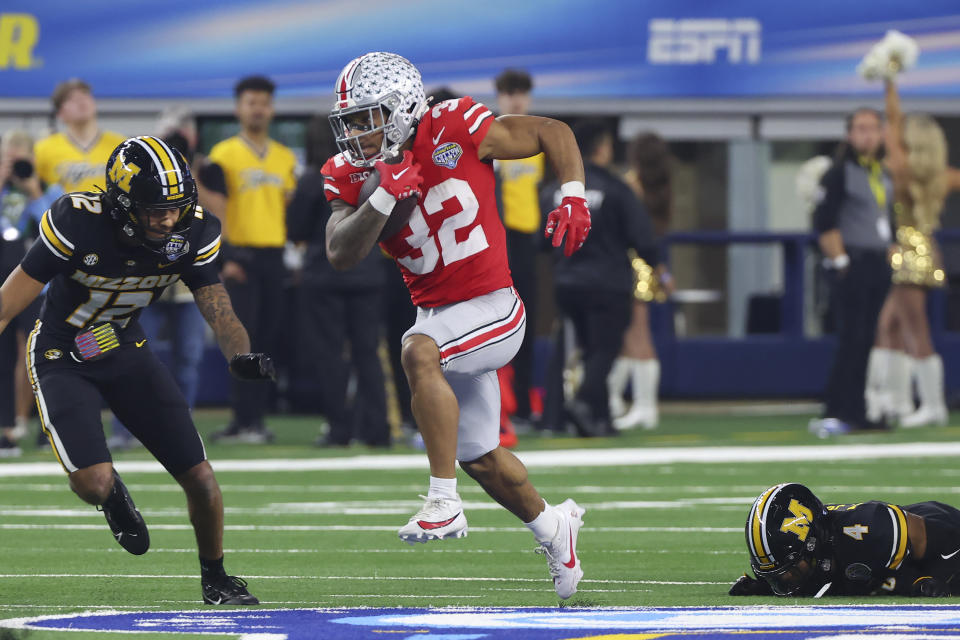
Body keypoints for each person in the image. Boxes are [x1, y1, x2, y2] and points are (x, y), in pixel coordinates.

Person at [322, 52, 591, 599]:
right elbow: (339, 252)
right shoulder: (354, 172)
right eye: (349, 120)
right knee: (480, 457)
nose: (354, 131)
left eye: (365, 116)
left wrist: (572, 195)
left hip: (494, 306)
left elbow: (551, 132)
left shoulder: (455, 124)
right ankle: (554, 527)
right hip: (442, 316)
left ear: (398, 109)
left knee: (417, 351)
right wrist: (383, 192)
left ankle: (442, 501)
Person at [0, 135, 275, 605]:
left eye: (174, 207)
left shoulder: (194, 230)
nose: (168, 218)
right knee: (92, 482)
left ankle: (217, 577)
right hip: (62, 352)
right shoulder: (77, 221)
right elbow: (6, 305)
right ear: (121, 203)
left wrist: (238, 355)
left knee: (202, 478)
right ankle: (112, 496)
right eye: (154, 209)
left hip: (121, 343)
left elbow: (218, 308)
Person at [109, 109, 230, 447]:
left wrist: (187, 178)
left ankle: (181, 430)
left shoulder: (207, 170)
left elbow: (218, 215)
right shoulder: (142, 174)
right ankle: (125, 430)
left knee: (188, 361)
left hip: (187, 287)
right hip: (145, 283)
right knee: (130, 355)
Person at [542, 120, 660, 437]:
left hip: (567, 282)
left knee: (581, 348)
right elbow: (641, 235)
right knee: (604, 350)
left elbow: (541, 239)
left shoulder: (555, 190)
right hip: (607, 283)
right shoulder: (615, 187)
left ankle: (599, 420)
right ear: (602, 148)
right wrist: (660, 265)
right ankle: (582, 403)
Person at [865, 71, 960, 428]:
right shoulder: (944, 176)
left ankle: (932, 405)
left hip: (906, 255)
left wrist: (890, 84)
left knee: (913, 330)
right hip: (927, 251)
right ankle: (894, 400)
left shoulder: (902, 171)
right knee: (888, 325)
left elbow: (891, 124)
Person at [288, 116, 388, 447]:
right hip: (369, 272)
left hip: (324, 275)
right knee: (368, 353)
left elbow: (296, 230)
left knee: (331, 355)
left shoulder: (311, 179)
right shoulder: (369, 174)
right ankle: (377, 428)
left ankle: (339, 428)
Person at [208, 75, 297, 443]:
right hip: (239, 256)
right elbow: (211, 212)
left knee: (269, 338)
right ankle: (242, 420)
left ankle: (258, 419)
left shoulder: (284, 157)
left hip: (274, 256)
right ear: (238, 108)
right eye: (251, 102)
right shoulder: (223, 154)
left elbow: (288, 207)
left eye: (263, 103)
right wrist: (224, 257)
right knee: (241, 338)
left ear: (272, 109)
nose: (258, 109)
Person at [807, 107, 894, 437]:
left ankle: (857, 410)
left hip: (876, 262)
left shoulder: (880, 173)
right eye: (860, 129)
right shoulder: (839, 172)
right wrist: (841, 261)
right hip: (852, 262)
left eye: (873, 128)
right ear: (849, 134)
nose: (867, 135)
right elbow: (824, 221)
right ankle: (839, 409)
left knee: (866, 339)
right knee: (850, 338)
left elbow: (886, 220)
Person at [731, 482, 960, 597]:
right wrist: (766, 585)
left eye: (788, 571)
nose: (786, 579)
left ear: (814, 541)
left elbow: (945, 537)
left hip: (945, 531)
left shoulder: (870, 528)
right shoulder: (819, 550)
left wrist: (934, 580)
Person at [0, 129, 63, 451]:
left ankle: (38, 422)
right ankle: (8, 424)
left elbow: (56, 230)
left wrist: (34, 190)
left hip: (40, 288)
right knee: (6, 356)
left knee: (36, 353)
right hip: (3, 283)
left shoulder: (51, 191)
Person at [608, 132, 674, 431]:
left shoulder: (630, 183)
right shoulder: (662, 184)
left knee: (638, 336)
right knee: (627, 336)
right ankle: (612, 399)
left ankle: (646, 408)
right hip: (649, 262)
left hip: (634, 263)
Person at [493, 69, 543, 441]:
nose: (516, 100)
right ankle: (497, 407)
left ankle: (523, 406)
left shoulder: (538, 142)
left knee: (527, 323)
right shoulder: (489, 139)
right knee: (494, 325)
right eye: (509, 93)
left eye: (521, 93)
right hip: (496, 240)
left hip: (528, 241)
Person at [34, 79, 126, 194]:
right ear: (60, 113)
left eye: (85, 95)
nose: (81, 102)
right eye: (71, 99)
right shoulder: (43, 149)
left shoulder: (120, 145)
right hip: (65, 211)